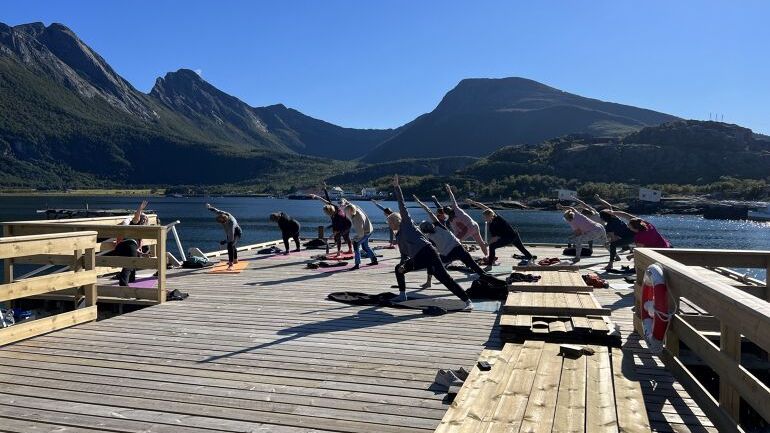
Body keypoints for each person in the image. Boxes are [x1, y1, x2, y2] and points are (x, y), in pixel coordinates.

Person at [389, 175, 472, 308]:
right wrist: (403, 264)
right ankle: (402, 294)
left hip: (428, 253)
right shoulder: (398, 236)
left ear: (395, 221)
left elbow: (402, 205)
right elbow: (404, 254)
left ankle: (467, 301)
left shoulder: (407, 224)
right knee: (399, 269)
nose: (389, 224)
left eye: (389, 221)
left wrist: (397, 187)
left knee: (444, 278)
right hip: (417, 258)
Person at [414, 195, 494, 288]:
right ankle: (494, 282)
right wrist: (419, 202)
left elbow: (427, 246)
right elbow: (428, 211)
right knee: (477, 269)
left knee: (431, 262)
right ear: (431, 225)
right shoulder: (440, 226)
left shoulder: (429, 237)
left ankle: (428, 282)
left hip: (448, 255)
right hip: (459, 249)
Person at [466, 199, 533, 268]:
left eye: (485, 217)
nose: (484, 218)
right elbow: (484, 207)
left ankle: (489, 265)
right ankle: (531, 259)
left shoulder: (496, 220)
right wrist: (473, 202)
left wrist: (487, 244)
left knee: (492, 246)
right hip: (514, 235)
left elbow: (495, 238)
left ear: (490, 216)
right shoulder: (493, 220)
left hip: (510, 237)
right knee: (521, 248)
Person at [109, 200, 150, 286]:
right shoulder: (135, 223)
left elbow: (136, 250)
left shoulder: (140, 234)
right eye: (144, 218)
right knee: (130, 264)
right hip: (128, 244)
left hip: (124, 247)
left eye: (146, 219)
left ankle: (131, 279)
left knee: (132, 261)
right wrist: (140, 209)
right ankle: (123, 284)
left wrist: (142, 253)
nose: (144, 220)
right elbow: (136, 217)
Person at [443, 185, 489, 256]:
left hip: (469, 228)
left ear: (446, 214)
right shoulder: (456, 209)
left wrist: (455, 238)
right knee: (481, 243)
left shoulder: (451, 220)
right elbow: (452, 198)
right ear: (450, 208)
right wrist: (449, 191)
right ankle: (488, 258)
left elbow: (456, 231)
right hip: (475, 225)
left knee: (456, 243)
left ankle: (457, 257)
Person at [310, 186, 353, 256]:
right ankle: (350, 250)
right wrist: (316, 196)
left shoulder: (337, 216)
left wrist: (332, 235)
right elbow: (326, 200)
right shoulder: (333, 207)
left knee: (340, 236)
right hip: (344, 222)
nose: (325, 214)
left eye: (326, 213)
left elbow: (337, 229)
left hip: (346, 224)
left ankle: (339, 252)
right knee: (344, 236)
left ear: (329, 212)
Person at [341, 199, 377, 269]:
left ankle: (357, 264)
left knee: (356, 245)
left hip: (365, 232)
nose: (345, 214)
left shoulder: (356, 219)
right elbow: (350, 204)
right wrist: (344, 201)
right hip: (369, 229)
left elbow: (361, 234)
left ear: (350, 212)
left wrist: (354, 239)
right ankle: (374, 260)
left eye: (346, 213)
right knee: (365, 246)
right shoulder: (356, 208)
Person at [207, 203, 242, 270]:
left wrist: (224, 242)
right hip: (229, 233)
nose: (221, 224)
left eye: (222, 222)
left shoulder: (231, 224)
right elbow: (217, 211)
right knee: (233, 246)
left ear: (225, 221)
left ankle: (231, 264)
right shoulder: (224, 214)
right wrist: (210, 208)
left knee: (230, 245)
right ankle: (235, 260)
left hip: (237, 233)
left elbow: (231, 238)